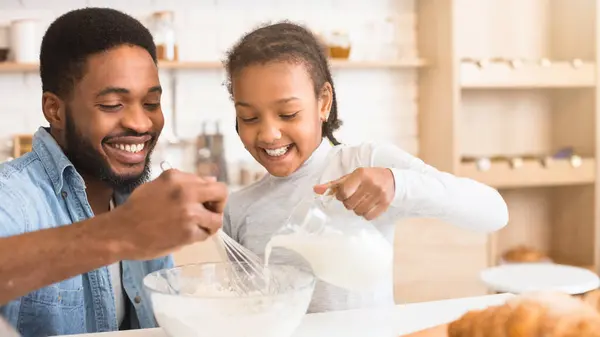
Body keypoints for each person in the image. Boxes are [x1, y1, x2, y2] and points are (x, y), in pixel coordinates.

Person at [221, 21, 509, 313]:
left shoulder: (365, 165)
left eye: (288, 113)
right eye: (249, 118)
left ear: (323, 102)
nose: (269, 134)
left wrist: (397, 184)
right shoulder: (240, 207)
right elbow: (248, 309)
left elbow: (494, 212)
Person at [0, 7, 227, 336]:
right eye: (112, 105)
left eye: (151, 103)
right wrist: (121, 232)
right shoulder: (13, 196)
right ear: (55, 110)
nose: (140, 123)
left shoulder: (141, 199)